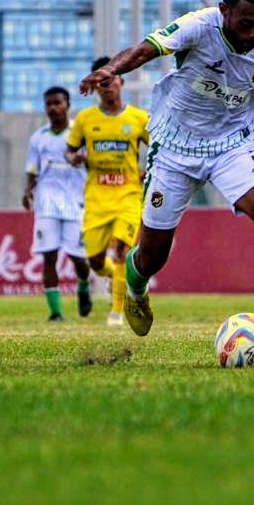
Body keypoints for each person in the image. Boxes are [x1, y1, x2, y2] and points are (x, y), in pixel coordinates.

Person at [79, 0, 254, 364]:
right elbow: (146, 48)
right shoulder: (198, 26)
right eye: (245, 23)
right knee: (152, 256)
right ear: (225, 10)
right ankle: (136, 289)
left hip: (232, 144)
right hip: (174, 146)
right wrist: (111, 69)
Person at [66, 56, 149, 327]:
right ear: (94, 87)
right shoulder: (85, 119)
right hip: (96, 198)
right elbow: (69, 150)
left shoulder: (139, 119)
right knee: (95, 261)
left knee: (123, 250)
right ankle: (112, 276)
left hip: (128, 195)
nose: (107, 86)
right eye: (101, 83)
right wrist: (74, 158)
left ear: (121, 81)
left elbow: (160, 147)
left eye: (110, 80)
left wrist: (150, 170)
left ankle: (117, 311)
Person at [23, 86, 91, 322]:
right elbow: (32, 168)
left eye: (57, 103)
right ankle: (56, 312)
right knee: (49, 256)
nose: (52, 108)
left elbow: (94, 162)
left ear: (68, 105)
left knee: (78, 258)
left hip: (76, 200)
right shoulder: (38, 137)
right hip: (47, 201)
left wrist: (84, 160)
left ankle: (83, 285)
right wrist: (27, 191)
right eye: (49, 104)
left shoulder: (80, 133)